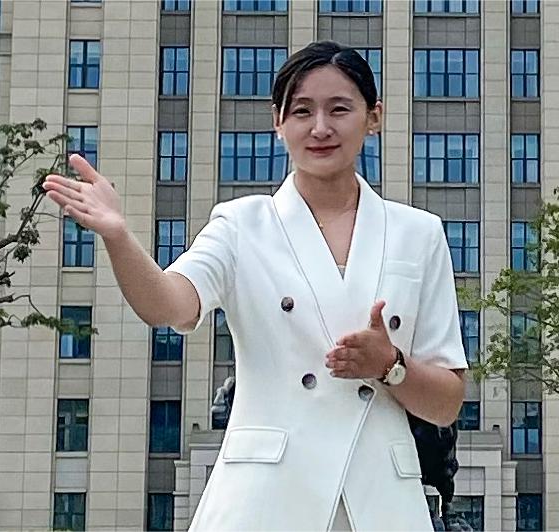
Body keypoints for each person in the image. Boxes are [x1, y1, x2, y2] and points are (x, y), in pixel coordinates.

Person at [43, 40, 467, 531]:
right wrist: (118, 236)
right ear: (278, 122)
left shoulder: (419, 233)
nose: (320, 128)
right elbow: (169, 304)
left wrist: (389, 365)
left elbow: (446, 403)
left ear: (374, 117)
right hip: (266, 495)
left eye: (339, 109)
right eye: (302, 111)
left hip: (380, 499)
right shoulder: (241, 224)